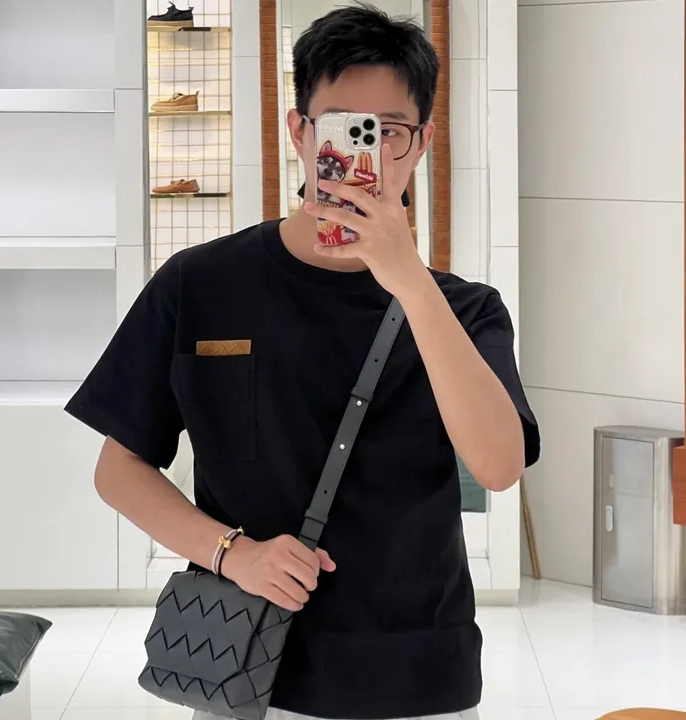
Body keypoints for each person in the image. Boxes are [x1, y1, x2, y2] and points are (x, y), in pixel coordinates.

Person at [65, 4, 540, 720]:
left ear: (421, 143)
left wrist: (410, 282)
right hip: (250, 668)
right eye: (343, 125)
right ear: (300, 132)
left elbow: (500, 466)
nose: (367, 151)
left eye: (390, 131)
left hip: (420, 675)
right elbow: (118, 470)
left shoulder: (464, 309)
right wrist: (232, 553)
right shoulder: (201, 284)